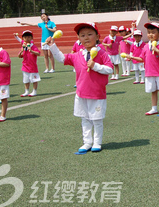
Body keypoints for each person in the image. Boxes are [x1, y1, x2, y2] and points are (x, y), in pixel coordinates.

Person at [47, 22, 113, 153]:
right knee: (85, 119)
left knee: (97, 120)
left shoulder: (102, 53)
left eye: (90, 34)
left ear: (97, 36)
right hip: (81, 93)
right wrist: (52, 46)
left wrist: (96, 66)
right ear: (79, 39)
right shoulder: (78, 55)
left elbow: (110, 69)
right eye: (82, 35)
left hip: (97, 94)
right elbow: (62, 59)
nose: (86, 38)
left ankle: (97, 142)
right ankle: (87, 142)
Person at [138, 23, 159, 116]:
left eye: (153, 32)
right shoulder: (145, 46)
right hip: (149, 73)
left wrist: (157, 50)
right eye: (148, 32)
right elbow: (142, 58)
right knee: (153, 91)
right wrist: (131, 57)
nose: (150, 34)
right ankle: (154, 108)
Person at [17, 30, 41, 97]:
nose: (27, 39)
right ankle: (26, 91)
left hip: (32, 67)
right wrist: (21, 51)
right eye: (25, 37)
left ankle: (34, 91)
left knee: (34, 80)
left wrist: (32, 51)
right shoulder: (23, 47)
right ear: (23, 39)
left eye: (28, 37)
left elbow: (38, 53)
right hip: (25, 66)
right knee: (26, 80)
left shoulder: (33, 46)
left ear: (31, 38)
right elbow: (19, 56)